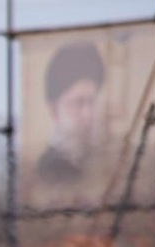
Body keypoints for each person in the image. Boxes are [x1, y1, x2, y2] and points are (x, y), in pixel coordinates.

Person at [37, 40, 105, 186]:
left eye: (91, 102)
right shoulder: (44, 173)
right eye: (77, 104)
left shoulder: (102, 163)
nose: (88, 115)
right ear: (54, 109)